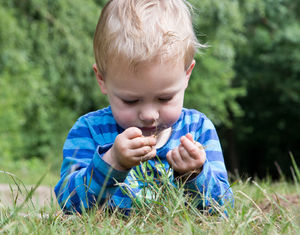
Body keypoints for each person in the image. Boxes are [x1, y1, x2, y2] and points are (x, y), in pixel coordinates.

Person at [54, 0, 233, 214]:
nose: (149, 115)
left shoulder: (198, 130)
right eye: (131, 101)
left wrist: (196, 174)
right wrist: (111, 163)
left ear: (187, 75)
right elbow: (68, 204)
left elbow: (224, 208)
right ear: (102, 80)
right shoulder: (89, 131)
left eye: (165, 98)